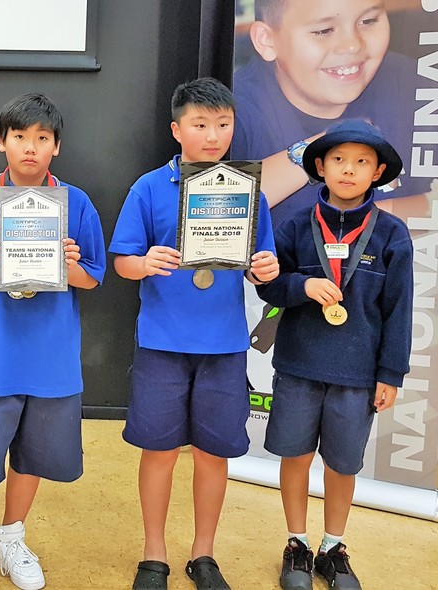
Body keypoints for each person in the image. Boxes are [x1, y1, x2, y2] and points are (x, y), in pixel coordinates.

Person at [110, 77, 279, 590]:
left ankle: (204, 554)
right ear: (176, 129)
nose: (213, 136)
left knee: (214, 452)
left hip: (224, 345)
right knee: (158, 451)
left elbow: (260, 265)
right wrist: (144, 262)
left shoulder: (247, 190)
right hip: (162, 342)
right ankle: (154, 553)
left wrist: (264, 268)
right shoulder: (148, 188)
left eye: (223, 124)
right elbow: (120, 263)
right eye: (201, 125)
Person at [0, 93, 106, 590]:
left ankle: (10, 538)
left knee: (32, 458)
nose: (30, 148)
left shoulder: (75, 204)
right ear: (2, 142)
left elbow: (94, 278)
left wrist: (69, 263)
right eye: (20, 137)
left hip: (51, 358)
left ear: (56, 146)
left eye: (42, 138)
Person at [255, 119, 413, 590]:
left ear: (378, 171)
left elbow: (399, 309)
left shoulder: (391, 234)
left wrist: (391, 373)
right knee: (296, 456)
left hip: (358, 374)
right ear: (320, 167)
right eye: (339, 160)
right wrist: (301, 285)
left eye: (361, 162)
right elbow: (268, 283)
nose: (348, 170)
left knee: (343, 464)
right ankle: (297, 544)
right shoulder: (294, 227)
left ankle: (332, 548)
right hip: (299, 366)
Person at [233, 0, 438, 228]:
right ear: (266, 40)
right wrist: (323, 145)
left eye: (368, 21)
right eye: (323, 30)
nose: (352, 46)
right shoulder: (232, 111)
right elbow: (207, 212)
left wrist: (362, 220)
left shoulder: (421, 88)